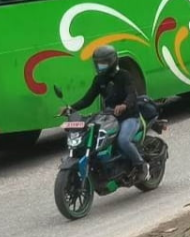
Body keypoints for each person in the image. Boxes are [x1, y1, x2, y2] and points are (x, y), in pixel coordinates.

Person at [62, 45, 151, 178]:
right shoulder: (99, 79)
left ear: (112, 61)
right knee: (96, 138)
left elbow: (132, 94)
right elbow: (87, 99)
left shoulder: (124, 76)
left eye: (103, 63)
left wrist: (124, 105)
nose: (100, 66)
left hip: (129, 117)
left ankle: (141, 165)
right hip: (110, 118)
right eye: (98, 63)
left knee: (123, 140)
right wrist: (71, 108)